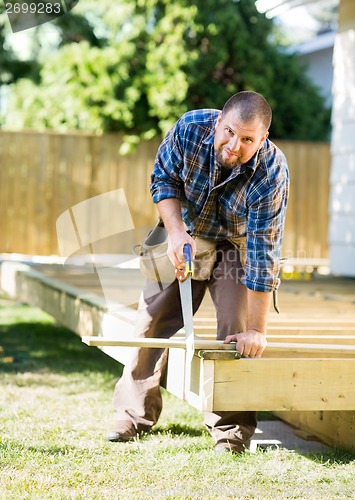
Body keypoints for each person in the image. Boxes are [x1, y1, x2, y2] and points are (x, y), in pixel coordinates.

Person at [108, 91, 289, 453]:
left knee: (236, 331)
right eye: (230, 132)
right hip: (185, 230)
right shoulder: (190, 128)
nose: (235, 145)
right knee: (153, 318)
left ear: (262, 139)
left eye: (248, 139)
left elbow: (262, 253)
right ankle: (132, 415)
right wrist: (175, 232)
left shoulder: (272, 172)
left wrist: (257, 330)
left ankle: (232, 431)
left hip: (238, 245)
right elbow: (164, 180)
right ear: (218, 121)